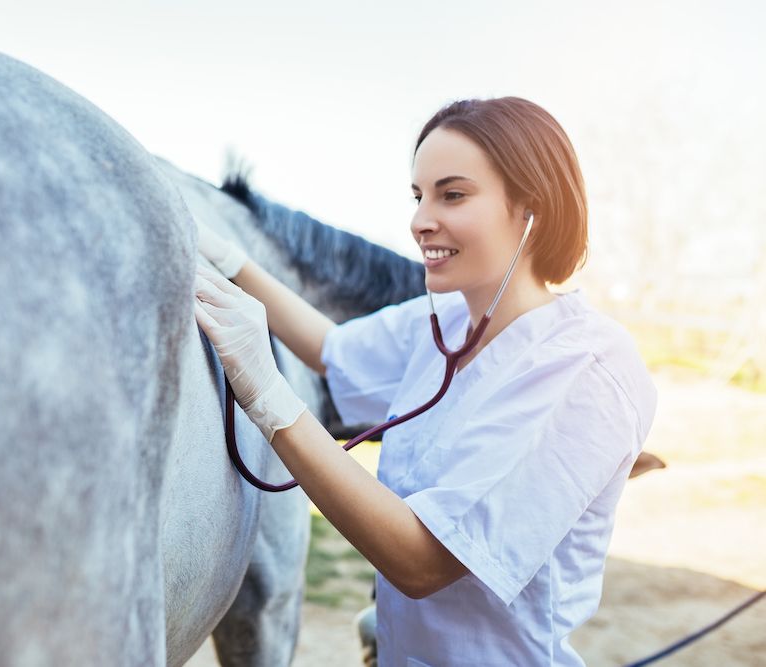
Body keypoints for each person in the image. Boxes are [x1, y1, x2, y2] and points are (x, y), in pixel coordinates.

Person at [193, 96, 657, 666]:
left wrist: (267, 393)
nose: (419, 221)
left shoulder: (586, 367)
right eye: (418, 196)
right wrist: (227, 258)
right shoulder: (443, 319)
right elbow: (330, 351)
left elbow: (421, 562)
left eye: (452, 194)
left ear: (531, 208)